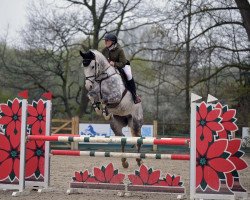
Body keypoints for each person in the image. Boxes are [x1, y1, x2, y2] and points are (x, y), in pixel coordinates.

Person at [101, 33, 141, 104]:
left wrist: (114, 64)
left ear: (113, 42)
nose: (105, 42)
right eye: (105, 40)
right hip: (109, 68)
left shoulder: (119, 50)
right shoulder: (104, 50)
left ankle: (135, 96)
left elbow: (122, 63)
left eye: (107, 40)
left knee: (129, 75)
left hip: (123, 65)